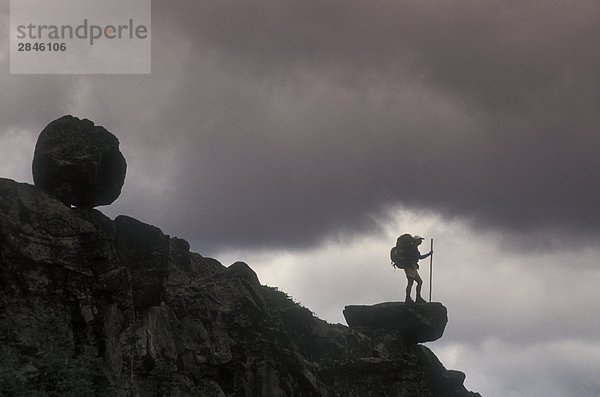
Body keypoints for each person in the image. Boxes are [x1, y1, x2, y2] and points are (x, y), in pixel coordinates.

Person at [404, 235, 433, 304]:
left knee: (419, 282)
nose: (421, 241)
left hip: (413, 267)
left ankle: (418, 297)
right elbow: (408, 256)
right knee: (410, 282)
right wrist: (412, 263)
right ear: (416, 240)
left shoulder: (415, 248)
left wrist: (428, 254)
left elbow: (419, 257)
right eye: (420, 240)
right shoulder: (412, 248)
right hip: (409, 267)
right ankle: (408, 298)